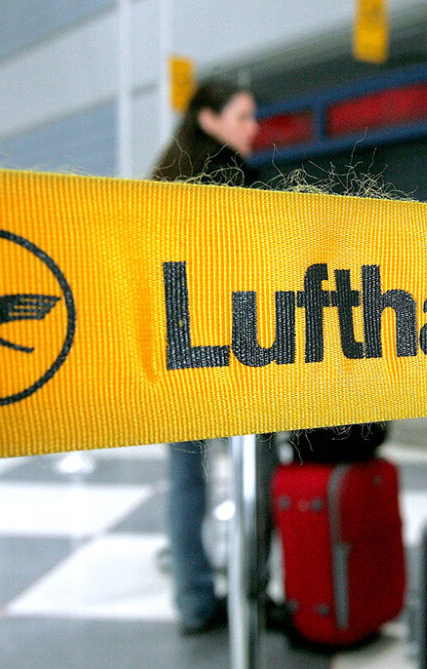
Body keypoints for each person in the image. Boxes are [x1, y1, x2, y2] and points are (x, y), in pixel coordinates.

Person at [151, 79, 260, 634]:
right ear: (209, 118)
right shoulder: (237, 180)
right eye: (242, 116)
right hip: (243, 349)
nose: (253, 127)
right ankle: (251, 592)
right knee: (254, 476)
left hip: (180, 350)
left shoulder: (163, 180)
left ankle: (194, 600)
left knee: (187, 482)